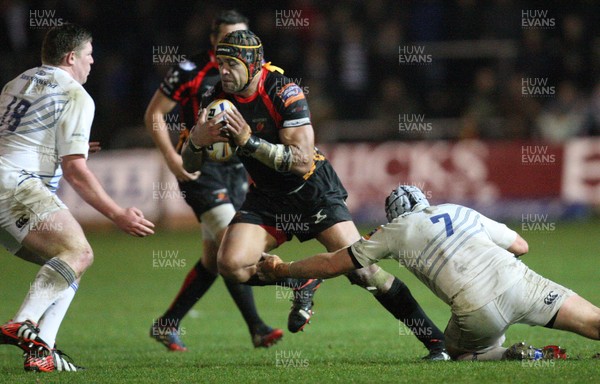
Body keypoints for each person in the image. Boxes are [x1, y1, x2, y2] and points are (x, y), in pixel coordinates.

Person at [182, 30, 449, 360]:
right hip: (267, 197)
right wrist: (196, 139)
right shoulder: (216, 97)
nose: (223, 70)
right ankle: (300, 280)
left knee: (363, 271)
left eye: (230, 63)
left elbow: (301, 160)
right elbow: (190, 163)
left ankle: (437, 343)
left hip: (311, 190)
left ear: (251, 64)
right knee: (231, 264)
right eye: (220, 63)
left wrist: (249, 142)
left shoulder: (283, 91)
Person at [258, 185, 600, 361]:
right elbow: (521, 246)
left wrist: (284, 268)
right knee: (594, 322)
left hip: (478, 311)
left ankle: (510, 355)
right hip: (522, 284)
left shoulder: (394, 231)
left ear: (393, 216)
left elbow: (335, 264)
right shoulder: (458, 210)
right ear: (425, 200)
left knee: (461, 355)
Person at [0, 24, 155, 372]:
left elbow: (20, 138)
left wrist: (64, 150)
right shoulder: (75, 94)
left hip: (5, 181)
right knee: (80, 252)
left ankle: (42, 353)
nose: (92, 61)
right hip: (16, 186)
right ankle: (22, 321)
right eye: (88, 55)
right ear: (72, 57)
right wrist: (117, 214)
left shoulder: (17, 82)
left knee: (67, 265)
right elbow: (75, 171)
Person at [144, 10, 282, 351]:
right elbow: (154, 114)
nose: (235, 46)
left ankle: (167, 323)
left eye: (241, 36)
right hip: (200, 170)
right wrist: (174, 160)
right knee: (230, 247)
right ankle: (259, 328)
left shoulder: (255, 73)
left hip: (238, 171)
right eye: (227, 38)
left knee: (213, 259)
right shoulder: (191, 70)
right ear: (212, 40)